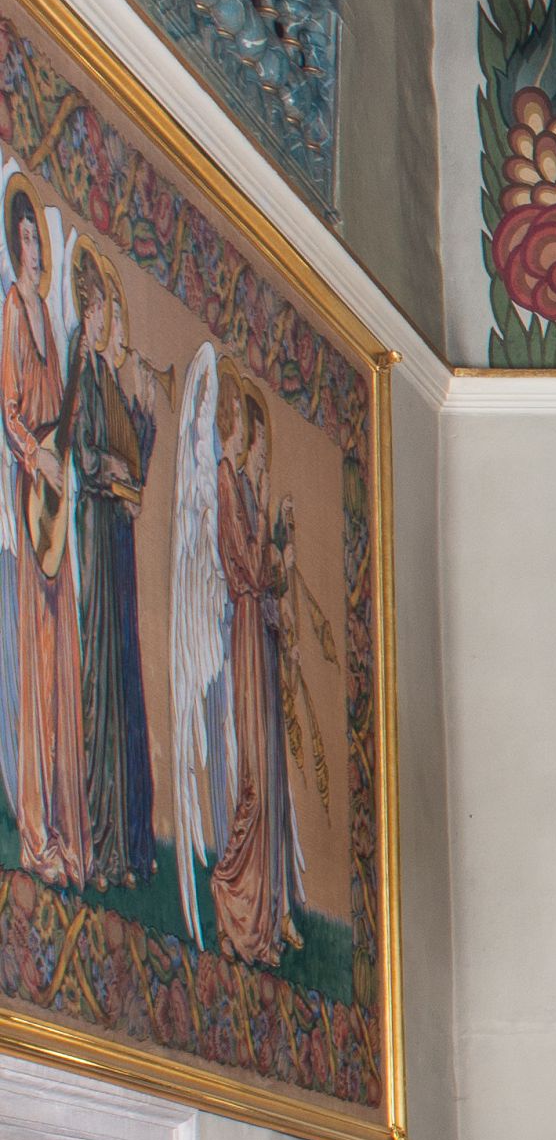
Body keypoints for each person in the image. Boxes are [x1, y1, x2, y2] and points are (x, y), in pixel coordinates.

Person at [0, 187, 84, 888]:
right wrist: (36, 455)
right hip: (31, 492)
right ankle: (34, 830)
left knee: (61, 654)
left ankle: (59, 821)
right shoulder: (10, 310)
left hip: (58, 496)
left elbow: (59, 406)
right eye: (24, 238)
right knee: (35, 647)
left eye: (37, 238)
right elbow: (9, 409)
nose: (33, 248)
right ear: (13, 243)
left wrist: (64, 452)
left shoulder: (51, 325)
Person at [65, 248, 157, 890]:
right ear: (89, 309)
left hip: (117, 537)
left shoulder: (108, 378)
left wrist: (143, 423)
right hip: (96, 533)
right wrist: (114, 470)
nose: (105, 320)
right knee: (101, 676)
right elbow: (82, 449)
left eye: (109, 310)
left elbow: (130, 459)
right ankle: (102, 844)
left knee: (125, 679)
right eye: (102, 308)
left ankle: (128, 846)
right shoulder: (83, 369)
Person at [208, 385, 300, 966]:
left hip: (259, 633)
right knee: (254, 782)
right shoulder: (227, 480)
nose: (255, 441)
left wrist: (280, 543)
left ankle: (262, 921)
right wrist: (271, 537)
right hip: (245, 631)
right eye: (250, 427)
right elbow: (246, 564)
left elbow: (267, 568)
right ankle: (229, 890)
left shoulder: (245, 486)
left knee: (268, 779)